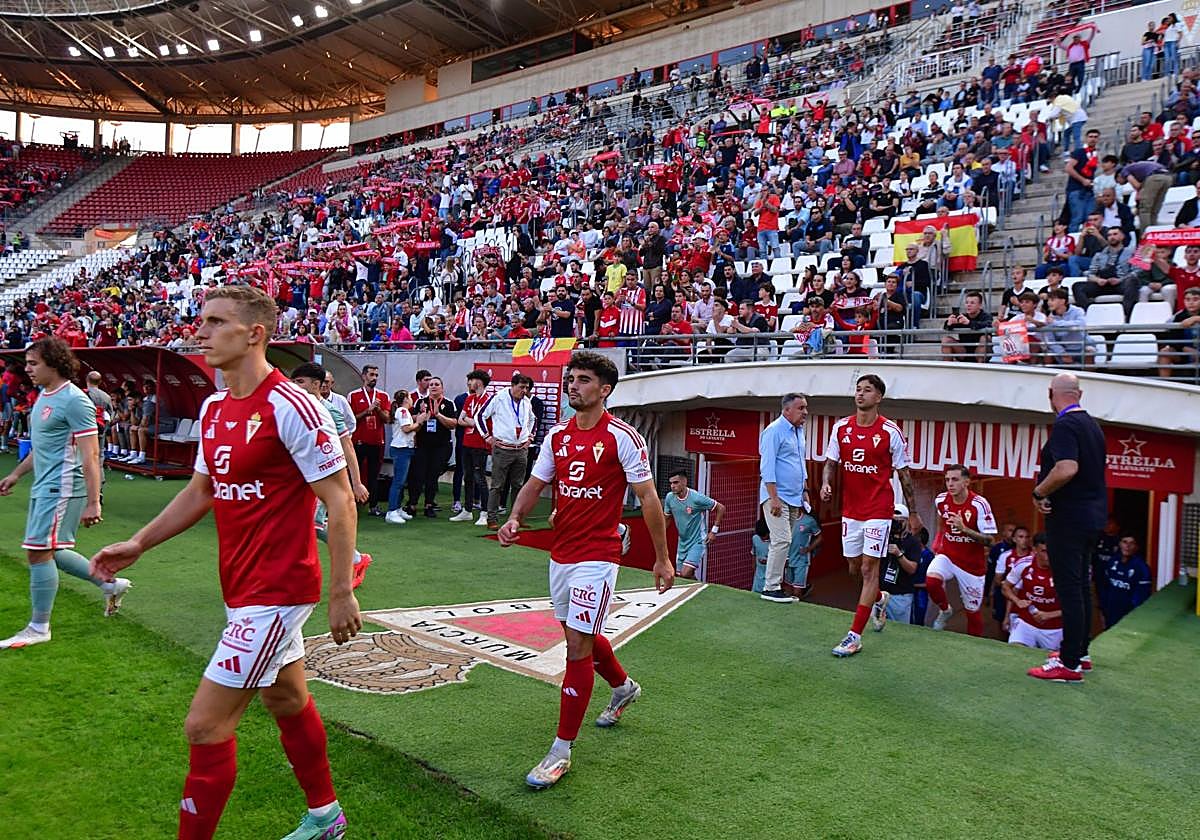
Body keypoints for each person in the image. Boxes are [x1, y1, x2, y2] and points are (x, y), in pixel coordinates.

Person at [89, 286, 361, 839]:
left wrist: (341, 592)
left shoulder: (293, 406)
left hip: (278, 591)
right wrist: (139, 543)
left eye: (215, 323)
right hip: (241, 585)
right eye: (202, 320)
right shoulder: (215, 407)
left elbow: (337, 498)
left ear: (254, 333)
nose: (201, 331)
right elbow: (200, 491)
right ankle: (327, 816)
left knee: (205, 726)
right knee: (285, 696)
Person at [498, 351, 672, 790]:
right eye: (570, 378)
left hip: (599, 555)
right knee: (582, 634)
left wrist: (662, 556)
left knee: (575, 645)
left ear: (604, 390)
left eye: (583, 379)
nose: (572, 385)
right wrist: (516, 516)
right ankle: (623, 686)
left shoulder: (624, 437)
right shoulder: (556, 436)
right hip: (562, 553)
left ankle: (560, 752)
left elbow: (649, 499)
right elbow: (536, 484)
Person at [0, 337, 131, 649]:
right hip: (44, 486)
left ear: (54, 364)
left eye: (34, 364)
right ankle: (109, 584)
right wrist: (17, 474)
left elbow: (90, 455)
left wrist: (93, 501)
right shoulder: (45, 396)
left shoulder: (75, 400)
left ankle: (38, 627)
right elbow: (42, 446)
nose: (28, 370)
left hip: (62, 488)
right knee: (52, 551)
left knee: (37, 552)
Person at [821, 374, 922, 657]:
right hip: (851, 511)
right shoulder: (841, 428)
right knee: (854, 567)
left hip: (879, 510)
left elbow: (904, 474)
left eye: (867, 390)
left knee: (868, 570)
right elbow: (830, 462)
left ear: (879, 397)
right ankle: (879, 598)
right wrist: (826, 482)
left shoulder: (891, 432)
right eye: (858, 389)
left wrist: (913, 512)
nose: (860, 394)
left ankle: (854, 636)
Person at [1028, 372, 1107, 683]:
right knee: (1081, 588)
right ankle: (1080, 652)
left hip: (1069, 520)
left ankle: (1070, 663)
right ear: (1080, 393)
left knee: (1070, 589)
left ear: (1051, 393)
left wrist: (1039, 492)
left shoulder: (1065, 424)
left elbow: (1066, 468)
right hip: (1091, 518)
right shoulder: (1092, 425)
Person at [290, 362, 373, 589]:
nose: (295, 386)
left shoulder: (330, 411)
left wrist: (356, 482)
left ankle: (354, 561)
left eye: (300, 382)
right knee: (297, 524)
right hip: (302, 479)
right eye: (294, 382)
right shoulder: (294, 409)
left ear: (316, 385)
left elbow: (347, 445)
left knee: (313, 525)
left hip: (326, 479)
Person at [926, 465, 998, 637]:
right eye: (947, 480)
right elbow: (941, 521)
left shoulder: (979, 504)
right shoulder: (941, 500)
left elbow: (991, 541)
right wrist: (938, 541)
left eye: (955, 479)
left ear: (967, 482)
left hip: (972, 566)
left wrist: (965, 529)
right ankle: (945, 610)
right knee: (931, 581)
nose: (950, 484)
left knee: (972, 612)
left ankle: (974, 647)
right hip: (948, 556)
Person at [758, 393, 811, 603]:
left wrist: (805, 490)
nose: (805, 412)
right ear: (786, 409)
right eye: (801, 408)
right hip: (777, 496)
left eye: (805, 408)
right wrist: (774, 498)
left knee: (783, 542)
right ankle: (770, 587)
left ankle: (775, 585)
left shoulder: (799, 431)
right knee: (782, 540)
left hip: (794, 497)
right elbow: (767, 467)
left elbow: (800, 464)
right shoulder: (773, 431)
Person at [478, 373, 535, 530]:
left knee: (518, 485)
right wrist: (487, 436)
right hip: (502, 448)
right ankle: (492, 518)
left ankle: (517, 518)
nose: (524, 391)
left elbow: (533, 419)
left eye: (527, 388)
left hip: (521, 449)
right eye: (521, 387)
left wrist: (530, 437)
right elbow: (480, 416)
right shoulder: (499, 398)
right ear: (513, 385)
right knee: (497, 485)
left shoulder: (526, 402)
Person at [407, 376, 458, 518]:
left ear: (442, 387)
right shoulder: (420, 402)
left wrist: (438, 415)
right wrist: (422, 416)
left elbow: (453, 424)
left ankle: (429, 505)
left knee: (432, 476)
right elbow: (412, 419)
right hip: (423, 445)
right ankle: (412, 504)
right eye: (431, 385)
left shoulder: (448, 404)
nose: (433, 386)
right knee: (417, 475)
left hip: (441, 447)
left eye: (436, 384)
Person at [1002, 533, 1063, 651]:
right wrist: (1017, 601)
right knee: (1014, 651)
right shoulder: (1024, 564)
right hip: (1026, 623)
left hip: (1054, 629)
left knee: (1050, 663)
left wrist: (1048, 615)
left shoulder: (1065, 570)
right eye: (1044, 551)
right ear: (1035, 550)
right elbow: (1005, 587)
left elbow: (1077, 605)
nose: (1049, 556)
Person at [662, 470, 724, 580]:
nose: (672, 486)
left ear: (684, 481)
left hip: (698, 541)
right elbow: (667, 518)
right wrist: (660, 535)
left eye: (676, 482)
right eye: (671, 483)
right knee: (683, 577)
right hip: (682, 542)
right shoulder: (669, 498)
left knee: (686, 573)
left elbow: (721, 508)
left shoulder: (696, 498)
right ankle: (699, 588)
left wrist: (714, 531)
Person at [871, 503, 923, 631]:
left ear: (906, 521)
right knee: (874, 629)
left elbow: (912, 569)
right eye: (893, 521)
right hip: (880, 594)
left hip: (901, 596)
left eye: (899, 521)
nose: (896, 524)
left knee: (900, 631)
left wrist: (899, 554)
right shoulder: (884, 537)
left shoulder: (913, 542)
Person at [347, 364, 390, 517]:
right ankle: (352, 503)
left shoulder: (383, 396)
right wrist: (367, 411)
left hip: (377, 441)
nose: (374, 378)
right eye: (371, 375)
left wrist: (377, 409)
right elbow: (351, 420)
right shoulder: (353, 395)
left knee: (374, 474)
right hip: (358, 441)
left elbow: (387, 419)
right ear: (364, 376)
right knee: (354, 473)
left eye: (376, 375)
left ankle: (373, 505)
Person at [452, 370, 492, 525]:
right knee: (467, 476)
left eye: (472, 380)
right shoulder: (469, 398)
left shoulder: (489, 399)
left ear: (479, 382)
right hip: (466, 442)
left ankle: (484, 512)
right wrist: (472, 421)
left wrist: (472, 421)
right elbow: (460, 420)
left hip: (480, 443)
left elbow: (480, 421)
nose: (469, 383)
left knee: (479, 477)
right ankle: (467, 510)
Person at [1099, 535, 1152, 628]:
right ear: (1119, 544)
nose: (1127, 546)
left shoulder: (1142, 568)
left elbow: (1142, 597)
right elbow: (1104, 588)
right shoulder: (1112, 562)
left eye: (1132, 543)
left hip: (1129, 616)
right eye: (1125, 542)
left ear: (1136, 547)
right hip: (1110, 613)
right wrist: (1103, 610)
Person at [384, 390, 418, 524]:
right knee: (398, 481)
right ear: (405, 399)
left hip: (405, 448)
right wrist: (419, 422)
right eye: (409, 397)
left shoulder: (402, 411)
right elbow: (406, 428)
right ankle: (391, 511)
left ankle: (397, 508)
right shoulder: (403, 411)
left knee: (401, 481)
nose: (411, 400)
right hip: (401, 449)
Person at [786, 505, 822, 599]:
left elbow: (820, 537)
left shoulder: (809, 521)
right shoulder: (786, 519)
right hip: (788, 559)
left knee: (797, 592)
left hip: (802, 560)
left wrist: (809, 548)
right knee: (789, 588)